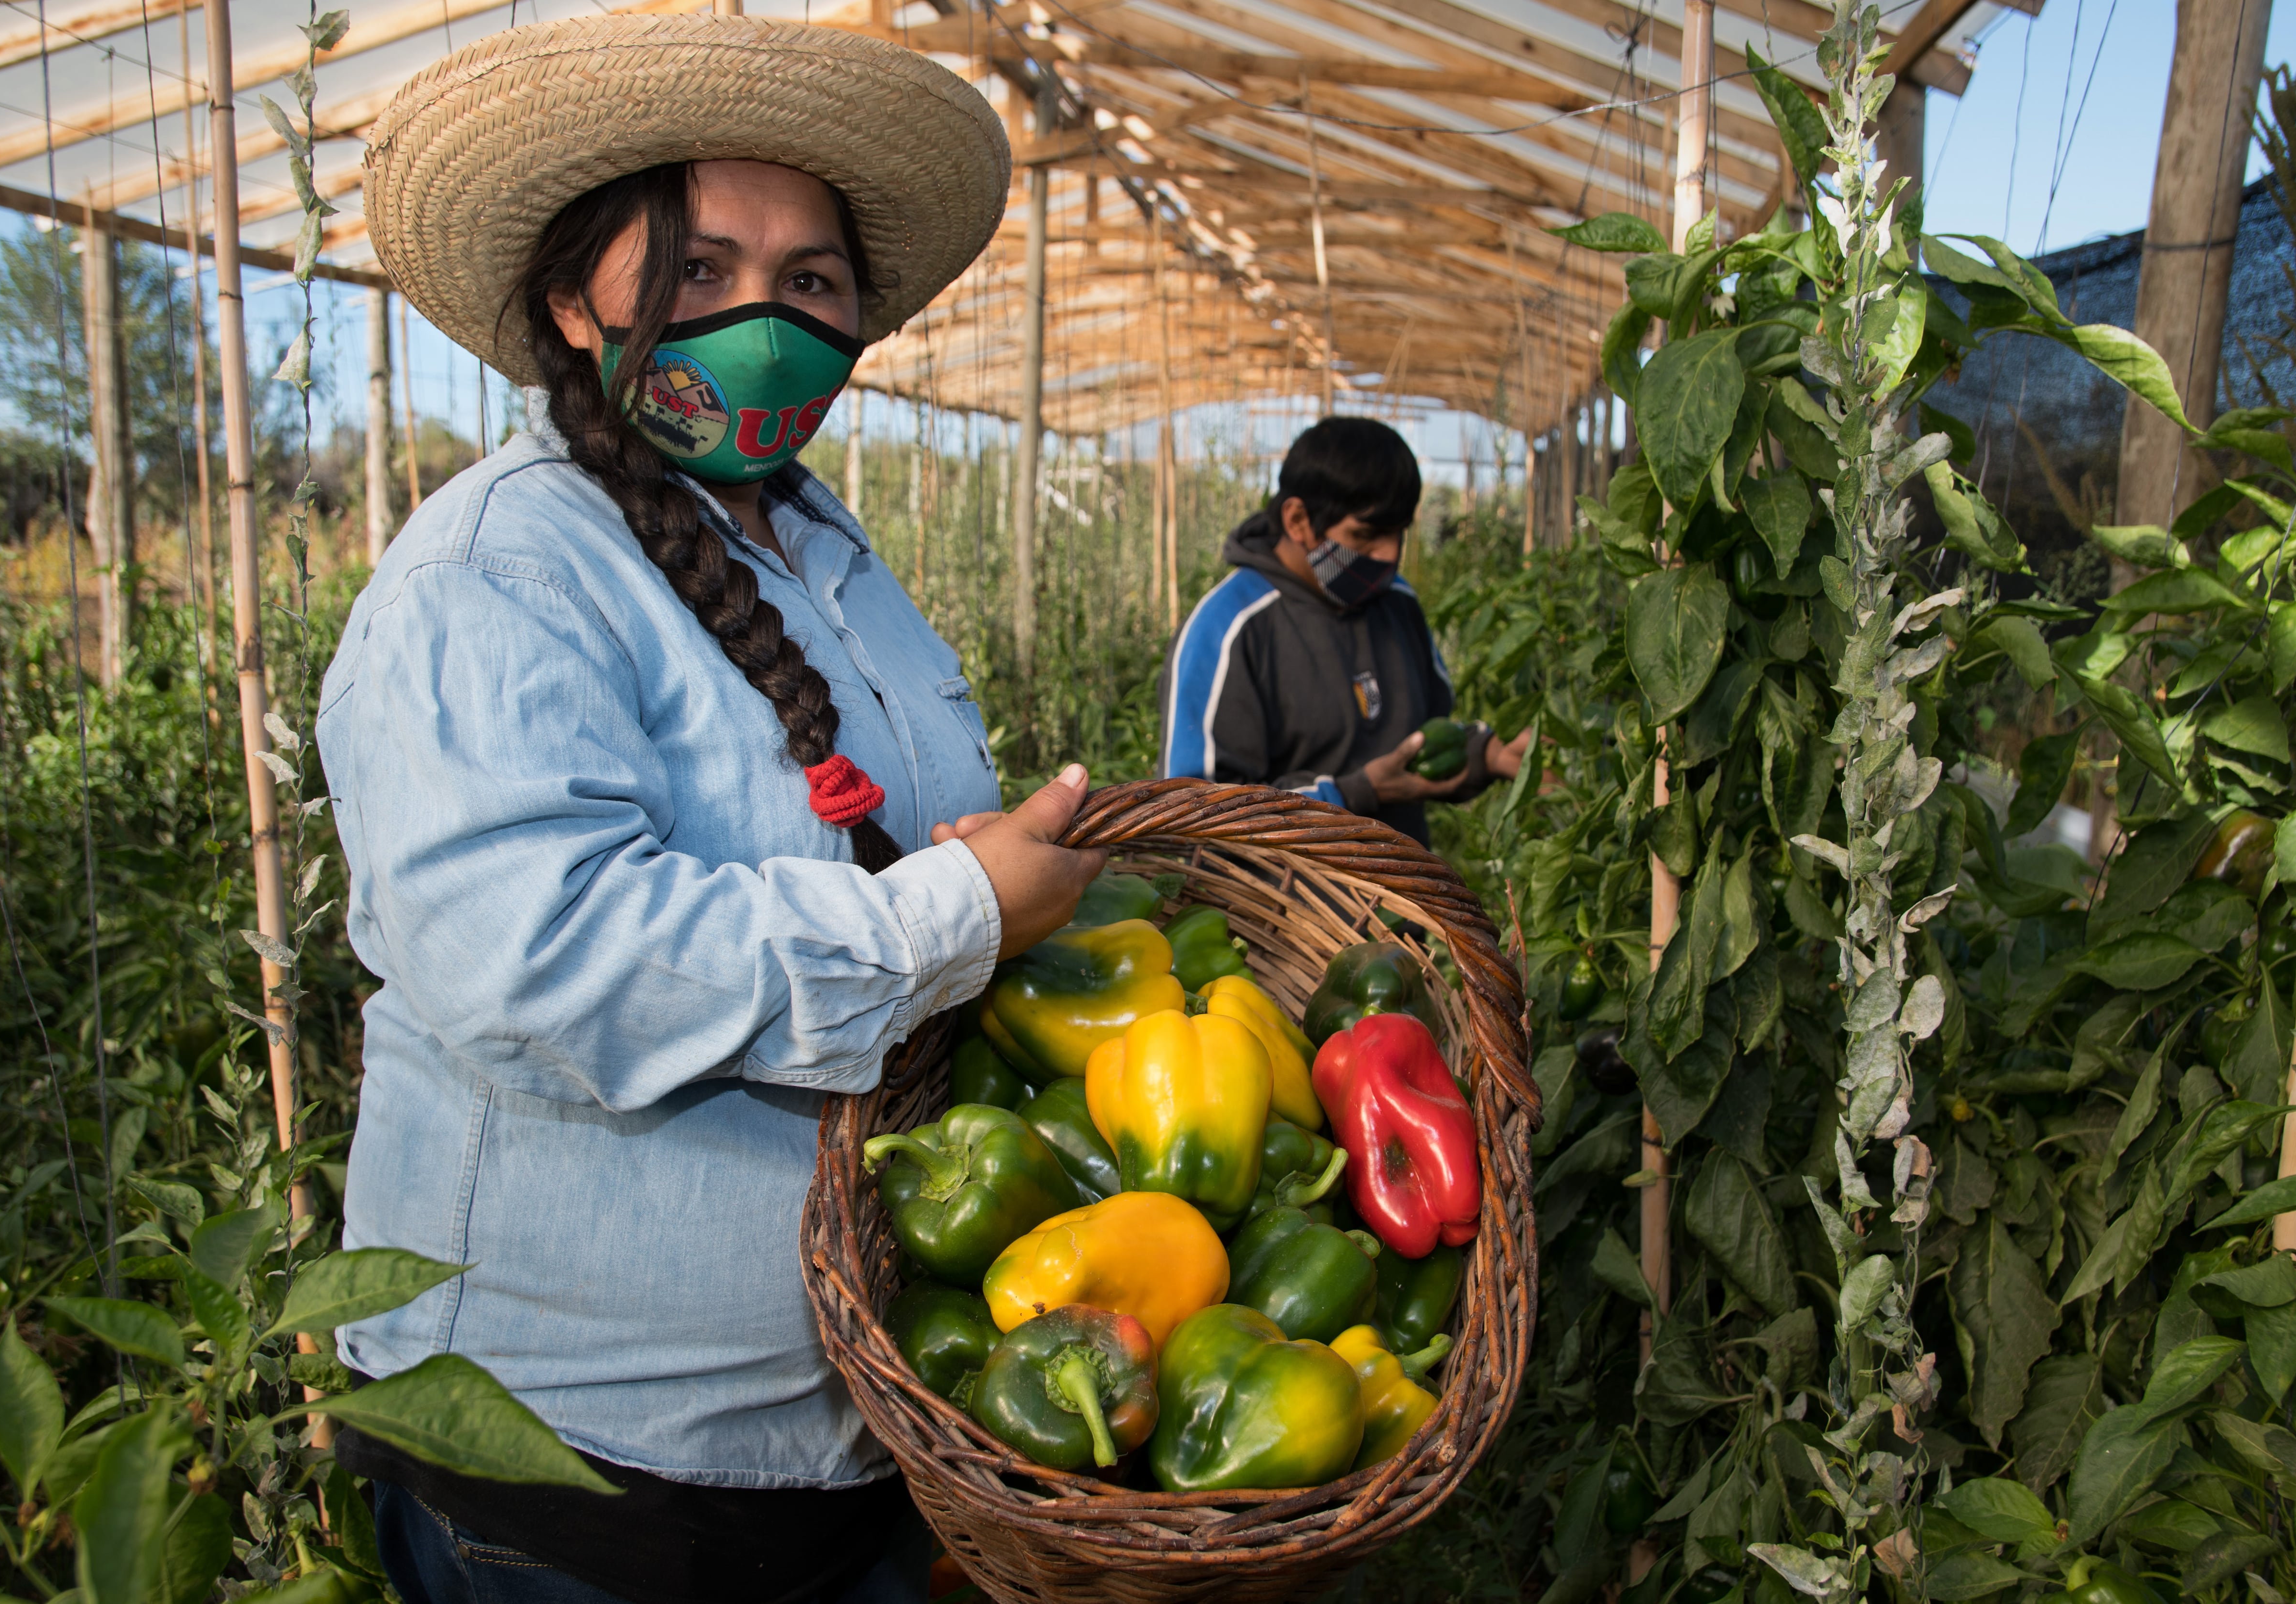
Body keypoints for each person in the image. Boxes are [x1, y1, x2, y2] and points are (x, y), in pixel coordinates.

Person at [317, 17, 1101, 1604]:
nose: (763, 318)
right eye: (700, 269)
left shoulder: (830, 555)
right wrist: (948, 915)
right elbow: (541, 960)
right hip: (576, 1478)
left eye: (810, 281)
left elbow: (869, 849)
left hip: (844, 1429)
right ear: (565, 299)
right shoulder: (501, 572)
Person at [1160, 417, 1532, 846]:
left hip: (1409, 894)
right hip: (1282, 906)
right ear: (1299, 520)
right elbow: (1193, 816)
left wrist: (1484, 753)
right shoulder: (1230, 628)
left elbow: (1423, 742)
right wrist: (1357, 792)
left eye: (1399, 533)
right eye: (1366, 535)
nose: (1389, 554)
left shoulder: (1396, 602)